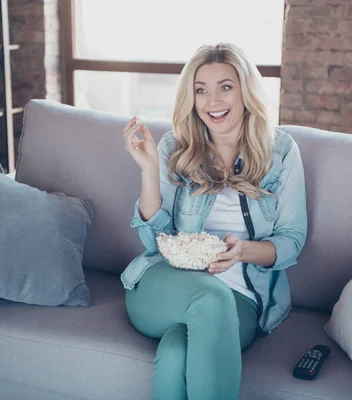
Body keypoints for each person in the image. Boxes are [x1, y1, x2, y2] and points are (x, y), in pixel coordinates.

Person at [121, 42, 308, 400]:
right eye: (201, 90)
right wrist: (148, 170)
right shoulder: (176, 147)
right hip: (163, 285)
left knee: (177, 351)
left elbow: (292, 239)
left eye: (225, 87)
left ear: (245, 91)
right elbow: (154, 242)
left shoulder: (280, 150)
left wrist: (243, 252)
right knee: (209, 296)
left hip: (241, 301)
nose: (213, 101)